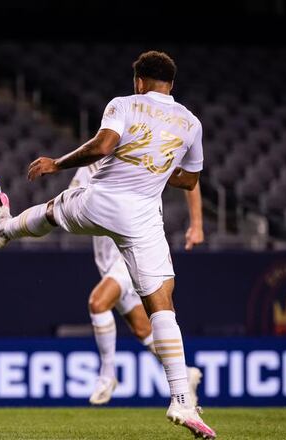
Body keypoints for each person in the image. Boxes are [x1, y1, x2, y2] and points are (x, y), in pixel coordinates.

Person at [0, 51, 215, 438]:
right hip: (144, 218)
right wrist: (154, 168)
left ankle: (4, 229)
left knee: (51, 212)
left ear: (139, 81)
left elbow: (104, 145)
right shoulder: (191, 124)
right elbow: (190, 181)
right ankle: (181, 399)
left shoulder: (124, 104)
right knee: (163, 305)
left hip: (104, 201)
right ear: (172, 85)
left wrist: (57, 163)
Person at [69, 164, 204, 406]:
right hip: (108, 262)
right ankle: (185, 373)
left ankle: (107, 375)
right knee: (144, 331)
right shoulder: (85, 170)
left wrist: (197, 224)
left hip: (135, 252)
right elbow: (71, 208)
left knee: (98, 303)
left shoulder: (139, 159)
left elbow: (189, 178)